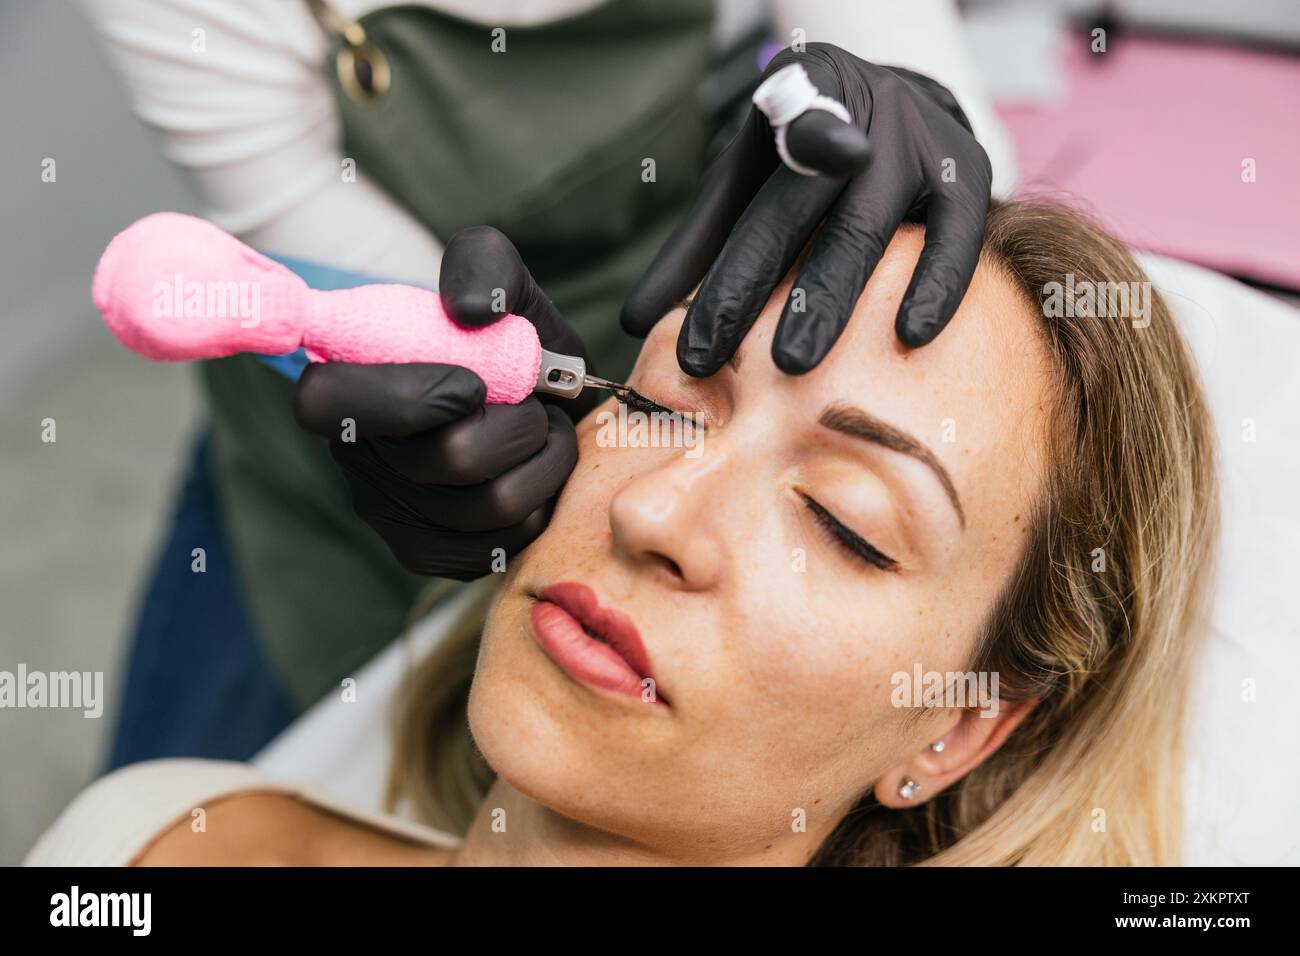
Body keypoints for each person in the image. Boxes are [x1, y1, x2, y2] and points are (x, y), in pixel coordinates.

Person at [27, 199, 1219, 866]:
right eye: (655, 406)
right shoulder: (155, 841)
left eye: (843, 521)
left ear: (959, 725)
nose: (653, 509)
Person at [84, 0, 1012, 765]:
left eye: (840, 521)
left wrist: (915, 99)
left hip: (668, 273)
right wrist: (496, 383)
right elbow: (300, 225)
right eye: (679, 414)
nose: (653, 515)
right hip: (337, 451)